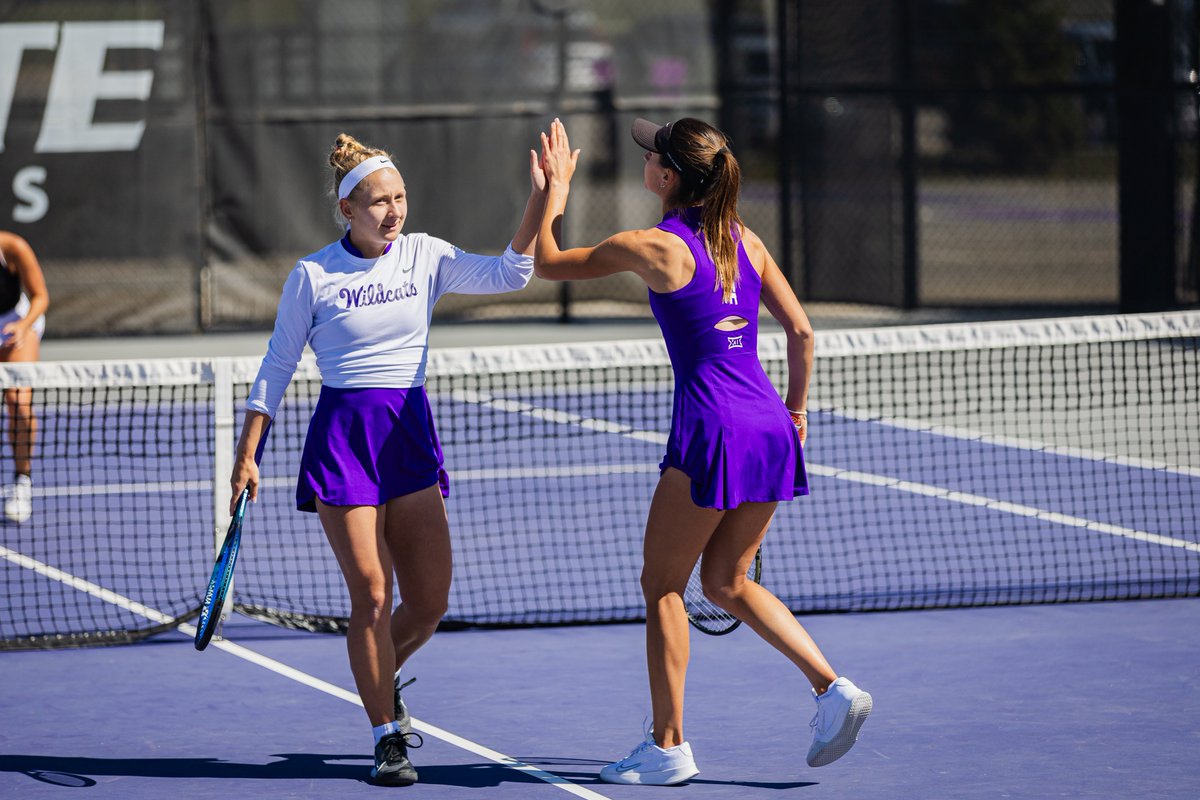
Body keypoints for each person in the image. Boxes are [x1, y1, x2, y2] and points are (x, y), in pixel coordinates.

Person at [534, 118, 872, 785]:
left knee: (663, 585)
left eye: (651, 156)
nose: (645, 163)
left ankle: (668, 747)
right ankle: (833, 689)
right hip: (771, 427)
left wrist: (556, 191)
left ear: (667, 176)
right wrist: (797, 413)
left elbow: (545, 262)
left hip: (711, 430)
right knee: (726, 582)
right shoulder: (747, 240)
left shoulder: (653, 247)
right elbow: (801, 333)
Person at [229, 132, 545, 786]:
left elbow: (513, 271)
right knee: (372, 595)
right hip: (344, 441)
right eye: (378, 202)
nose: (393, 211)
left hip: (409, 436)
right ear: (347, 209)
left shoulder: (426, 256)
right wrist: (247, 455)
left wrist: (546, 196)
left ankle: (377, 673)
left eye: (399, 197)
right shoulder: (313, 275)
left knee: (427, 603)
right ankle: (385, 736)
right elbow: (276, 366)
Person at [0, 231, 49, 524]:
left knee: (18, 402)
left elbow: (41, 296)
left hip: (16, 322)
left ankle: (22, 481)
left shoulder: (13, 247)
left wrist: (23, 327)